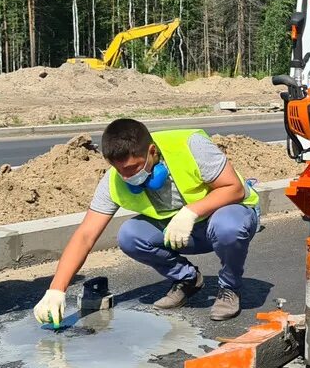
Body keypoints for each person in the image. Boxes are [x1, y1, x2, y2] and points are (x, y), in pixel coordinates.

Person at [33, 119, 259, 326]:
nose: (126, 177)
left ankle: (229, 288)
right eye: (119, 170)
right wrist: (56, 289)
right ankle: (188, 279)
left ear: (152, 152)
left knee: (229, 226)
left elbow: (235, 188)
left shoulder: (190, 145)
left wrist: (191, 212)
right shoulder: (114, 180)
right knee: (130, 235)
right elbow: (85, 235)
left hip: (227, 216)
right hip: (178, 231)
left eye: (132, 168)